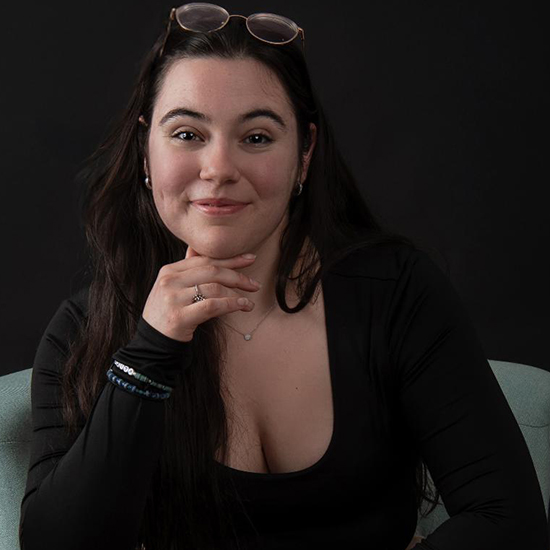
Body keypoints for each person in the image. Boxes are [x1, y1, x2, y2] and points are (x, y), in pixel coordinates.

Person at [18, 3, 548, 550]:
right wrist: (151, 352)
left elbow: (509, 522)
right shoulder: (84, 330)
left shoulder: (396, 292)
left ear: (305, 153)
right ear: (144, 151)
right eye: (187, 134)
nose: (219, 168)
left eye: (256, 138)